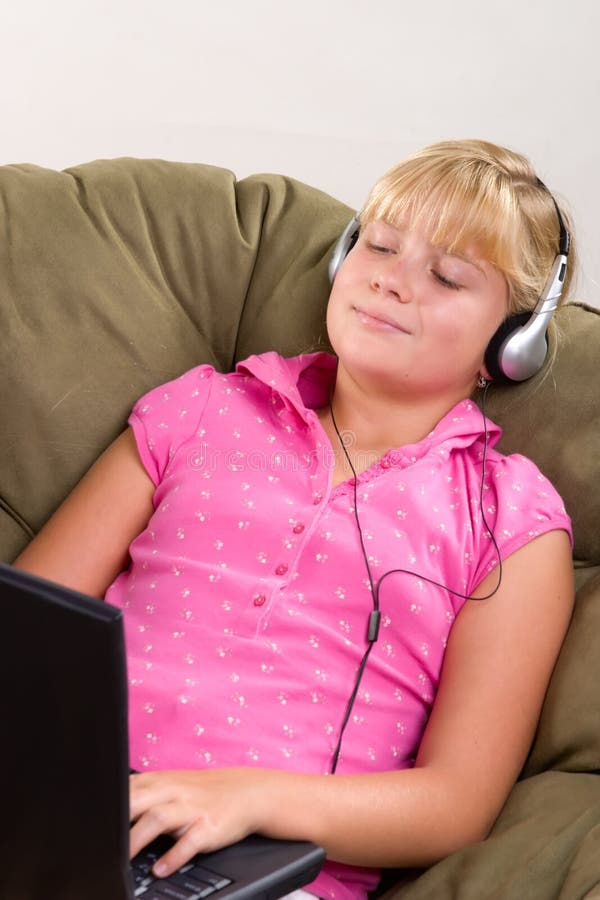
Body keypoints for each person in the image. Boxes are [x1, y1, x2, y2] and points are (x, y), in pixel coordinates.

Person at [13, 139, 575, 900]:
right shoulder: (200, 409)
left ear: (512, 344)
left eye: (445, 276)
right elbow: (25, 630)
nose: (390, 280)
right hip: (54, 807)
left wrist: (246, 797)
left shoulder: (511, 520)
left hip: (259, 874)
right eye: (378, 245)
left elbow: (456, 801)